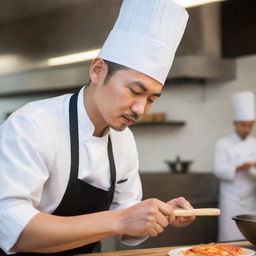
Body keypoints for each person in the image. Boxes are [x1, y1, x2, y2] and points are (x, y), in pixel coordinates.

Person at [0, 0, 194, 255]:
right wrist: (121, 220)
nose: (140, 109)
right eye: (135, 91)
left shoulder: (124, 141)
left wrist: (157, 215)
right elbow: (13, 228)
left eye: (151, 99)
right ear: (98, 70)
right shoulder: (33, 124)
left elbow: (126, 218)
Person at [214, 91, 256, 242]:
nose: (247, 129)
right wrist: (239, 167)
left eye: (250, 125)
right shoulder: (223, 143)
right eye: (243, 125)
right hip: (231, 200)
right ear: (235, 123)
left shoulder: (254, 143)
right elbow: (218, 171)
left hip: (251, 200)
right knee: (230, 239)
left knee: (250, 239)